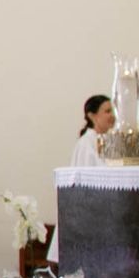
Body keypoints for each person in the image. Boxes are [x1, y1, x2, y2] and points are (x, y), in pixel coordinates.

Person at [48, 96, 114, 266]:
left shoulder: (106, 140)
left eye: (112, 111)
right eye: (107, 111)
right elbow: (91, 179)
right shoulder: (87, 144)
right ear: (92, 116)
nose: (112, 115)